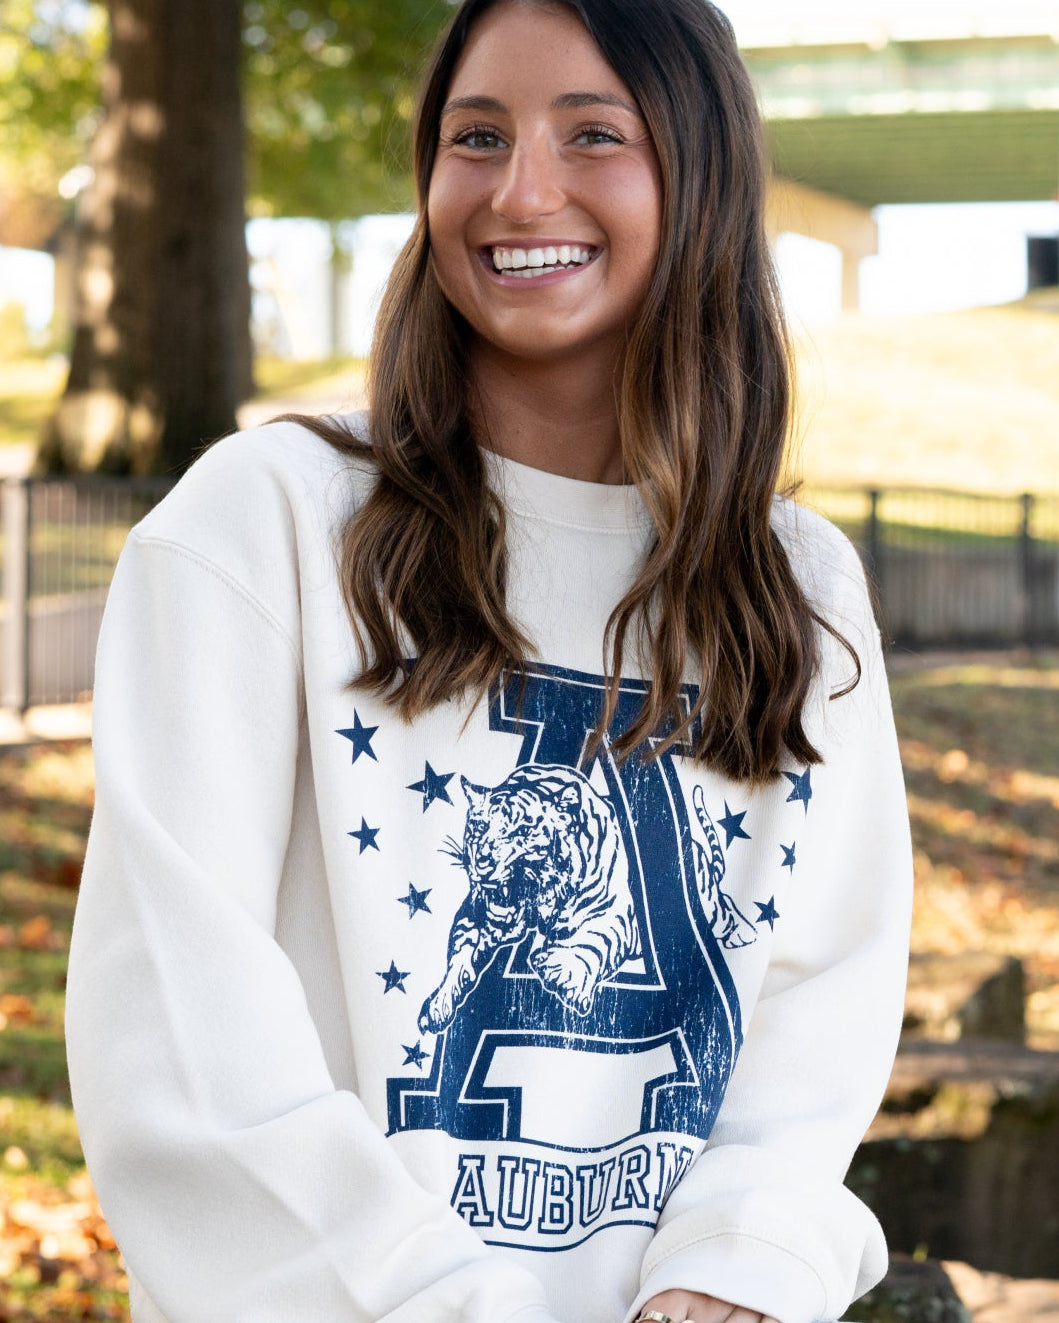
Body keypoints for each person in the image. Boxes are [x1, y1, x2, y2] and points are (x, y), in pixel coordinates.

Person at [65, 2, 913, 1322]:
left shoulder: (803, 589)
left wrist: (737, 1272)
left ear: (700, 174)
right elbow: (180, 1038)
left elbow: (823, 1012)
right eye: (477, 135)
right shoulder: (261, 529)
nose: (522, 191)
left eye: (594, 134)